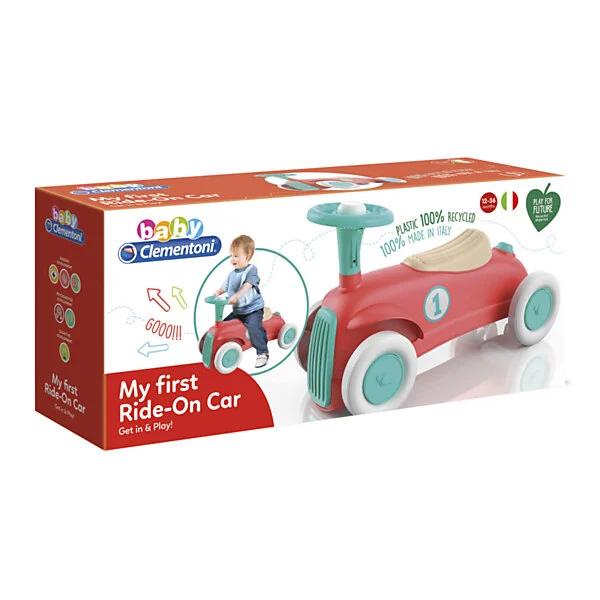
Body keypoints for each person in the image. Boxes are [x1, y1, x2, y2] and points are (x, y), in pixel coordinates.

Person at [214, 235, 269, 368]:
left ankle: (262, 352)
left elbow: (247, 285)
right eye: (231, 256)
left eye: (236, 256)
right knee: (224, 325)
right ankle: (223, 346)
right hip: (238, 311)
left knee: (254, 328)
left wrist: (236, 296)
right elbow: (225, 286)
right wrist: (217, 292)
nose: (232, 259)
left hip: (252, 310)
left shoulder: (251, 270)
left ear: (247, 255)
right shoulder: (232, 274)